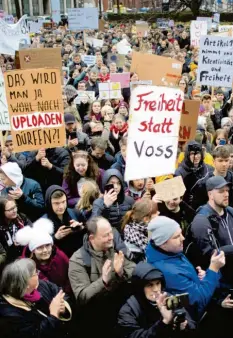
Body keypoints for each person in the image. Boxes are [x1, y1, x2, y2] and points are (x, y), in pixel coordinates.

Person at [146, 216, 225, 319]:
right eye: (176, 237)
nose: (183, 238)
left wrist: (202, 278)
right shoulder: (168, 272)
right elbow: (199, 302)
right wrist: (213, 269)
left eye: (181, 233)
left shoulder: (171, 252)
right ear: (163, 243)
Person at [69, 216, 135, 338]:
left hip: (118, 309)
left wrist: (121, 273)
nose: (111, 237)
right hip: (96, 319)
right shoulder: (77, 260)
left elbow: (133, 269)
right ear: (92, 238)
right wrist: (103, 281)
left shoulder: (112, 248)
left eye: (111, 232)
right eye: (106, 235)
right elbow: (82, 297)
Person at [117, 262, 195, 338]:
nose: (156, 289)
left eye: (158, 283)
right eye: (150, 285)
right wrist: (164, 323)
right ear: (140, 288)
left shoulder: (168, 298)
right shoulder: (129, 310)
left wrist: (184, 326)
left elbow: (192, 324)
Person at [0, 258, 72, 338]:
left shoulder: (40, 285)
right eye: (35, 273)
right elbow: (36, 334)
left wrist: (63, 306)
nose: (38, 274)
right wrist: (54, 314)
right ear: (25, 282)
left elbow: (60, 292)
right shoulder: (9, 314)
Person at [16, 218, 71, 294]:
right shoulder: (26, 268)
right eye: (40, 247)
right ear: (33, 250)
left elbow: (71, 276)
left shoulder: (60, 256)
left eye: (47, 245)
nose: (45, 250)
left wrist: (66, 294)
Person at [188, 176, 233, 269]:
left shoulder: (230, 211)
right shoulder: (201, 220)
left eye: (227, 190)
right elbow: (210, 253)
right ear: (210, 194)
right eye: (221, 191)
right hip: (220, 277)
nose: (226, 194)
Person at [42, 185, 85, 258]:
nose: (61, 206)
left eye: (63, 202)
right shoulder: (43, 222)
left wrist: (81, 228)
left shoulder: (75, 213)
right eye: (56, 203)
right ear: (49, 203)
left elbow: (88, 231)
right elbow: (40, 246)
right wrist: (55, 237)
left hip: (79, 256)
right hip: (57, 260)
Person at [92, 169, 134, 233]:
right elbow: (93, 225)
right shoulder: (98, 203)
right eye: (112, 183)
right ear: (105, 185)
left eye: (118, 183)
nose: (116, 187)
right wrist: (106, 206)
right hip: (108, 236)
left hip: (128, 236)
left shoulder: (129, 200)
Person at [175, 141, 213, 208]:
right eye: (192, 153)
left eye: (198, 153)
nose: (196, 157)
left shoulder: (209, 169)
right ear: (187, 155)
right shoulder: (179, 172)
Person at [0, 196, 32, 264]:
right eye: (10, 209)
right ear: (2, 211)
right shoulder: (1, 230)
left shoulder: (21, 218)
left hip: (26, 256)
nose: (14, 211)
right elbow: (4, 254)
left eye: (15, 207)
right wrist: (14, 246)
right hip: (10, 263)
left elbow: (32, 229)